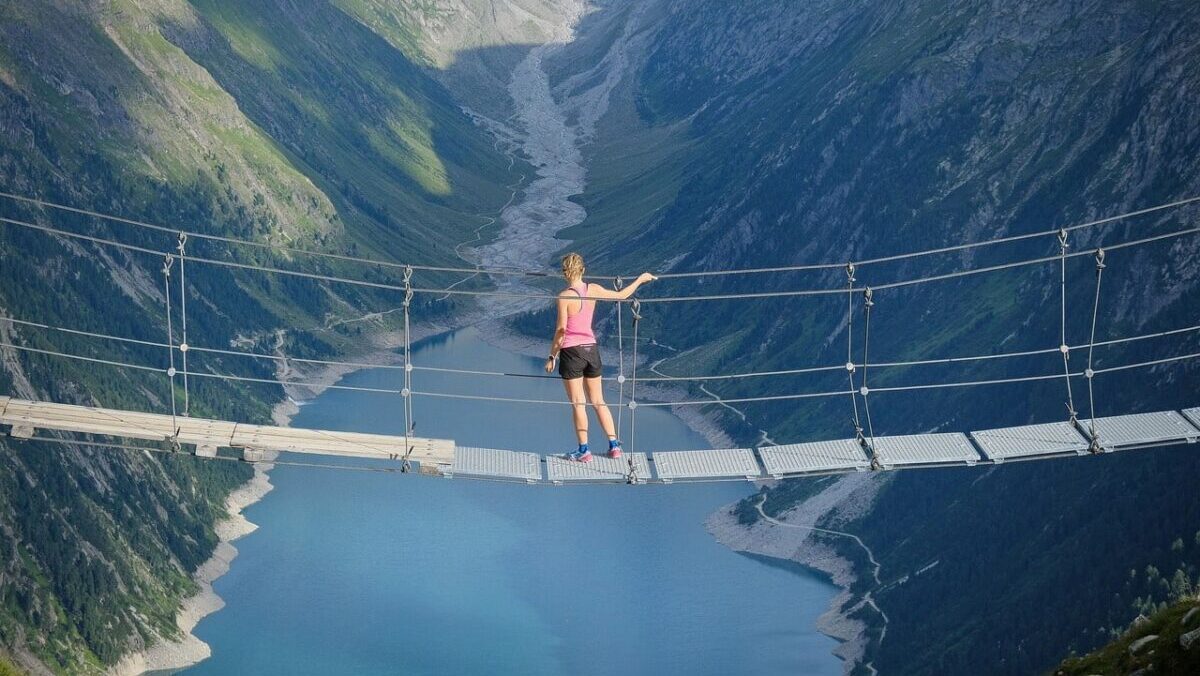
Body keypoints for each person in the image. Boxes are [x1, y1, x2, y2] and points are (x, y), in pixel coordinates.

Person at [545, 253, 656, 462]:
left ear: (564, 273)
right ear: (583, 270)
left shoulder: (564, 297)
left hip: (572, 352)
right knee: (599, 401)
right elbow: (622, 296)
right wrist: (641, 279)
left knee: (579, 403)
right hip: (592, 350)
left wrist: (552, 356)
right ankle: (614, 446)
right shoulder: (593, 289)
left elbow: (561, 330)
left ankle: (583, 450)